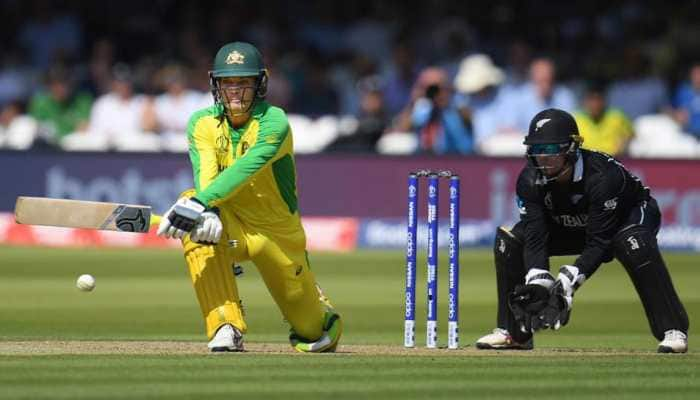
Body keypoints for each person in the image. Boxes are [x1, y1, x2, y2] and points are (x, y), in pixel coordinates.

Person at [156, 42, 342, 353]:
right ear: (216, 84)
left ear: (261, 84)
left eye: (244, 83)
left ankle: (317, 307)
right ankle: (225, 326)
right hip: (233, 226)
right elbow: (206, 177)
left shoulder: (275, 122)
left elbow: (246, 169)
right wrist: (208, 209)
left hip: (278, 237)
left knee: (312, 332)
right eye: (228, 83)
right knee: (195, 217)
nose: (235, 91)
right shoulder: (201, 122)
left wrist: (202, 203)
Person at [475, 108, 689, 353]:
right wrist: (539, 279)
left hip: (627, 217)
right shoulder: (529, 180)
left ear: (571, 149)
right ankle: (514, 333)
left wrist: (570, 279)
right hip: (573, 222)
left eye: (551, 151)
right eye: (537, 150)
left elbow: (600, 241)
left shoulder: (604, 177)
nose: (542, 159)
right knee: (510, 240)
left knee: (633, 242)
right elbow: (535, 235)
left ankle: (673, 330)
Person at [574, 82, 634, 156]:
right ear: (584, 101)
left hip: (614, 160)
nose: (595, 104)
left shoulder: (617, 117)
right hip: (587, 162)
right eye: (591, 99)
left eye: (598, 99)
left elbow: (630, 136)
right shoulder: (576, 119)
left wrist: (623, 146)